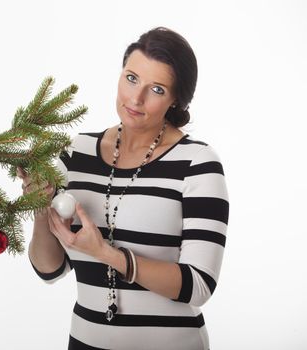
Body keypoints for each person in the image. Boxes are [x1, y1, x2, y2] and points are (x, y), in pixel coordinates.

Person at [17, 27, 229, 350]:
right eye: (131, 78)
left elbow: (199, 285)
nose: (136, 98)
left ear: (175, 100)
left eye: (156, 89)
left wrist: (106, 254)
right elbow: (49, 269)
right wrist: (39, 204)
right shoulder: (77, 153)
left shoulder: (198, 163)